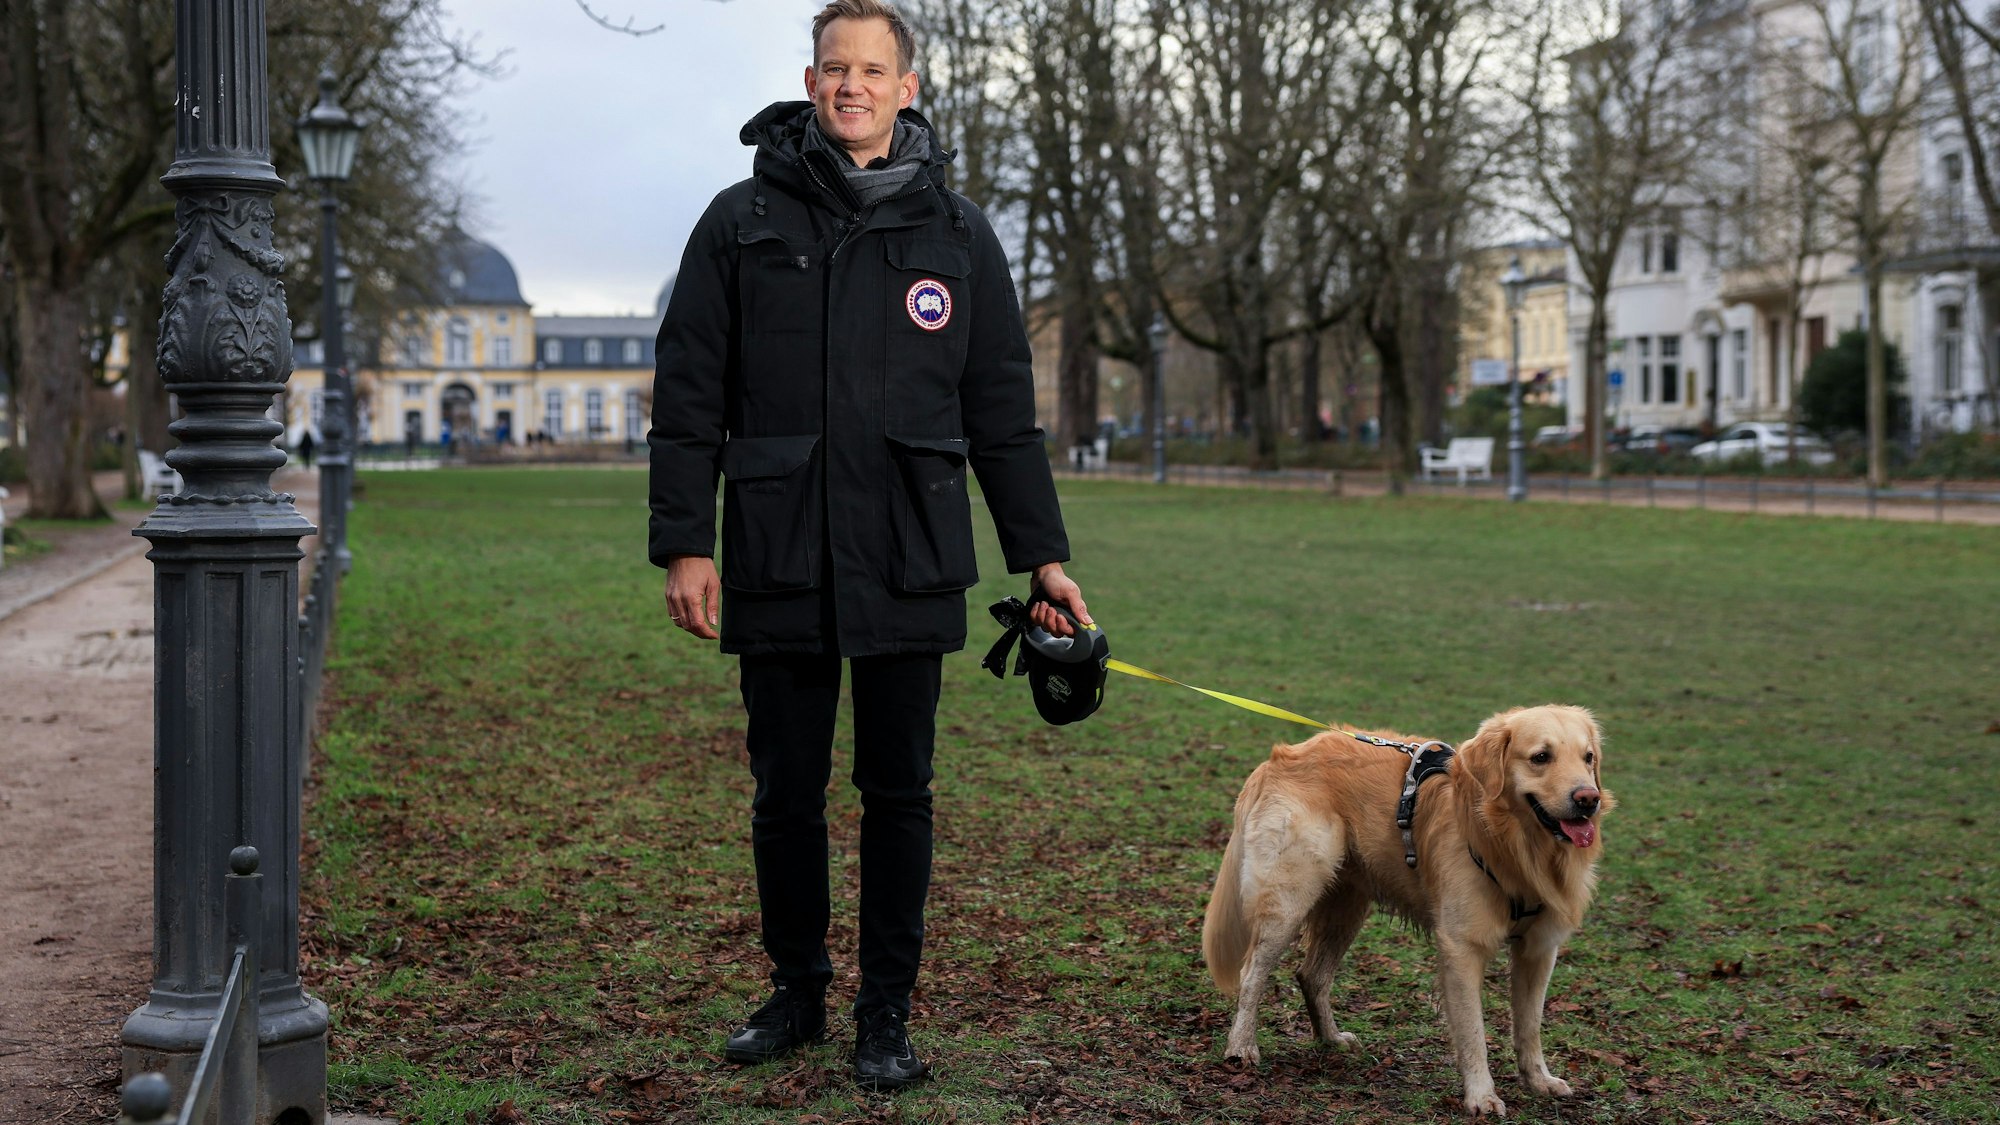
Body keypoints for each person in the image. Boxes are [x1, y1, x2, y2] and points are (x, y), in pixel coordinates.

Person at [646, 0, 1087, 1092]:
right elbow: (688, 394)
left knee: (900, 794)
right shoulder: (739, 220)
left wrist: (1041, 556)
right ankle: (796, 991)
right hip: (777, 550)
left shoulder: (959, 233)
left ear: (907, 88)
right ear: (811, 82)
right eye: (835, 68)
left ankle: (885, 1010)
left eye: (873, 70)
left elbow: (1002, 411)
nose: (852, 85)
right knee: (783, 795)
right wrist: (684, 543)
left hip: (908, 551)